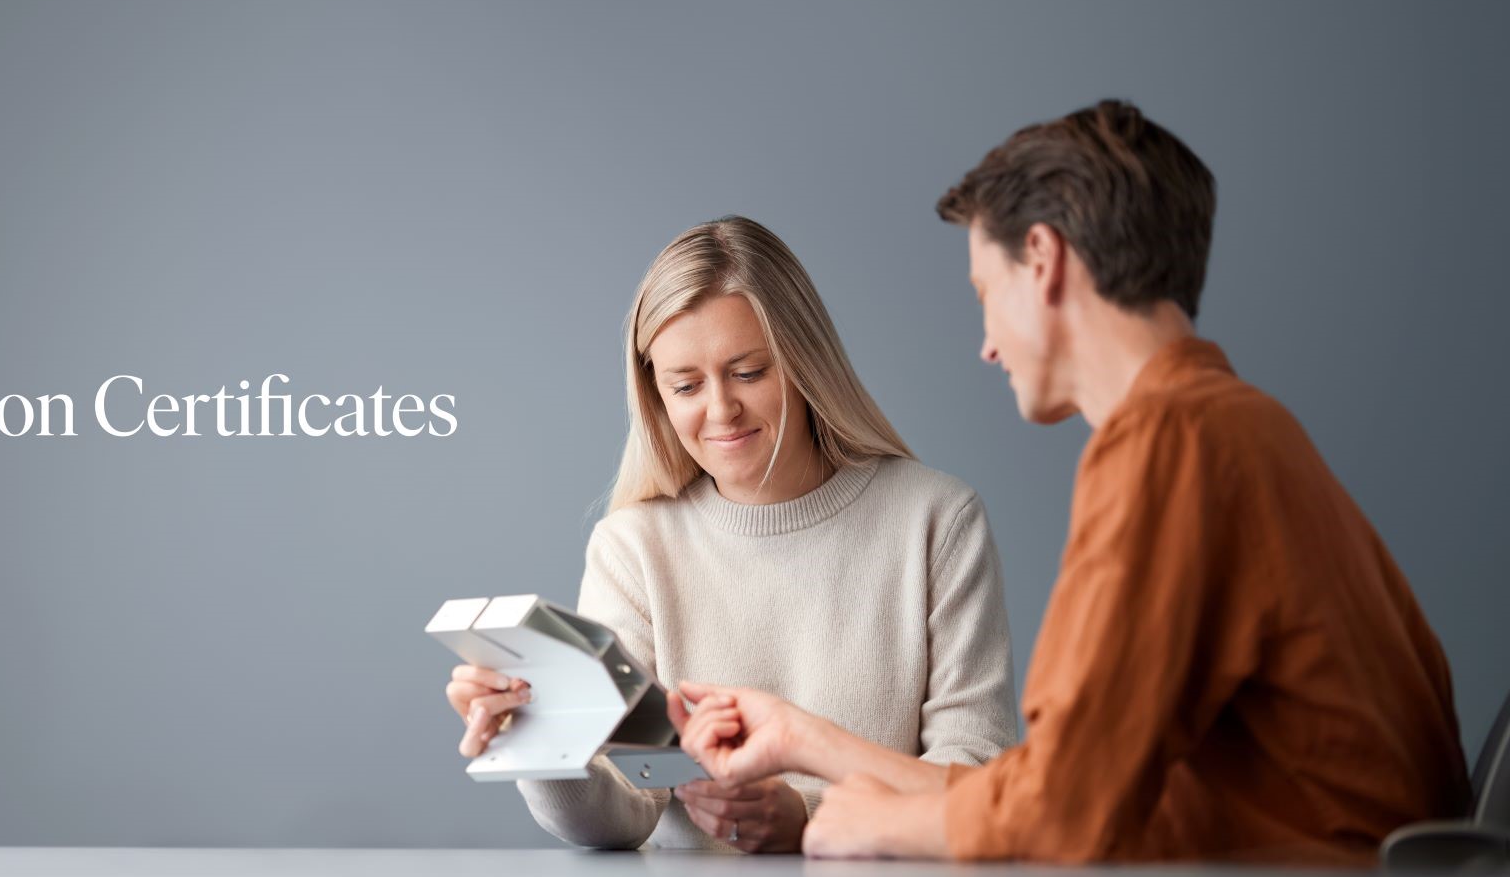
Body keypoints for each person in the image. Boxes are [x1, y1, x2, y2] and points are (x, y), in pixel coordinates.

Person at [667, 101, 1472, 864]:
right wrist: (805, 740)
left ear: (1044, 261)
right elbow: (1060, 785)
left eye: (987, 293)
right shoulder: (1239, 426)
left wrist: (884, 822)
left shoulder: (1169, 442)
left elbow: (1060, 811)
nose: (987, 345)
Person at [442, 216, 1019, 852]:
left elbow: (978, 779)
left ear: (803, 363)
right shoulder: (634, 548)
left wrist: (807, 815)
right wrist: (541, 740)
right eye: (685, 385)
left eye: (748, 372)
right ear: (656, 396)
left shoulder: (935, 518)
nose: (720, 410)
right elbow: (622, 812)